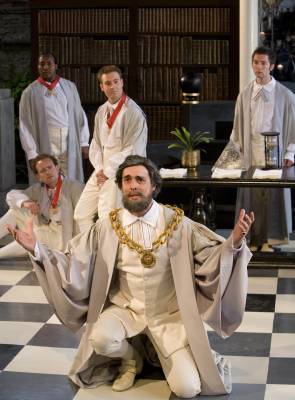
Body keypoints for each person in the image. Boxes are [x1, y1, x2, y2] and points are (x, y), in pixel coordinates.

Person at [8, 155, 254, 397]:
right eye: (127, 180)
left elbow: (210, 257)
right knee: (101, 339)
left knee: (188, 389)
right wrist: (37, 249)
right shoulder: (106, 226)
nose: (133, 185)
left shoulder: (177, 223)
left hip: (168, 317)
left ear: (153, 186)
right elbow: (74, 261)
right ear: (121, 186)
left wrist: (234, 242)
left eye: (140, 179)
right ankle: (131, 360)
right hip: (125, 310)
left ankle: (167, 354)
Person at [228, 46, 295, 251]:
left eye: (263, 63)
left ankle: (271, 240)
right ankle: (252, 239)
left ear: (272, 66)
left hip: (276, 150)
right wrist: (235, 152)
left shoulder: (286, 95)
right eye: (255, 62)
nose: (258, 67)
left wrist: (290, 153)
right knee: (252, 194)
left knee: (273, 195)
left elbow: (293, 125)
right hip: (251, 150)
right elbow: (237, 126)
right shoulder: (245, 94)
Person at [74, 65, 147, 231]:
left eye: (116, 81)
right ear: (102, 86)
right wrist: (100, 169)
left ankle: (109, 255)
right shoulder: (101, 111)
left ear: (122, 82)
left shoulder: (133, 112)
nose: (112, 86)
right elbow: (96, 144)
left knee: (107, 217)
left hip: (122, 170)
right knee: (81, 214)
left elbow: (132, 149)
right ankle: (92, 250)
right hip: (101, 169)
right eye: (108, 83)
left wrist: (107, 171)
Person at [19, 53, 90, 184]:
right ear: (38, 67)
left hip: (68, 139)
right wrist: (31, 152)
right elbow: (25, 125)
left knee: (70, 179)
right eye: (42, 64)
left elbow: (80, 115)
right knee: (49, 178)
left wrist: (84, 142)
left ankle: (70, 204)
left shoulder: (70, 87)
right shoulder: (29, 92)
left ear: (55, 66)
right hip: (46, 140)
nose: (45, 67)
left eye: (49, 63)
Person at [0, 154, 84, 258]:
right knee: (15, 211)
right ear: (38, 176)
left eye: (50, 167)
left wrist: (79, 246)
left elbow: (83, 217)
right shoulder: (38, 189)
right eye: (43, 171)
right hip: (44, 228)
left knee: (34, 235)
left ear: (57, 168)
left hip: (63, 237)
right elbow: (11, 196)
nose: (48, 172)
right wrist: (25, 202)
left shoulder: (74, 186)